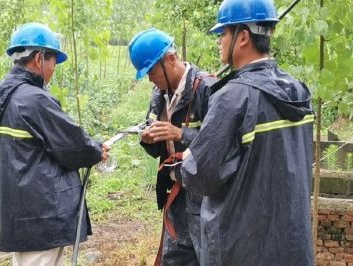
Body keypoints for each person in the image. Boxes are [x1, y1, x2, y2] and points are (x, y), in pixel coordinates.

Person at [180, 0, 315, 265]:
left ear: (242, 37)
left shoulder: (233, 98)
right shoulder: (298, 91)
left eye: (223, 33)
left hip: (241, 249)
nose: (219, 41)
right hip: (292, 247)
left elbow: (201, 174)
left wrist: (187, 160)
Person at [0, 22, 108, 266]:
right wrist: (96, 150)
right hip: (42, 213)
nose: (53, 70)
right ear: (39, 58)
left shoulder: (4, 97)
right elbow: (72, 145)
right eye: (53, 62)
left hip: (21, 212)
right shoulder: (34, 100)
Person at [128, 28, 217, 265]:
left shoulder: (207, 90)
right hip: (176, 196)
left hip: (205, 198)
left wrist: (182, 134)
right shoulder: (159, 95)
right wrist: (149, 140)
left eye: (152, 71)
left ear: (170, 59)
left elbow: (221, 146)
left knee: (208, 257)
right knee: (174, 259)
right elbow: (159, 147)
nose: (150, 79)